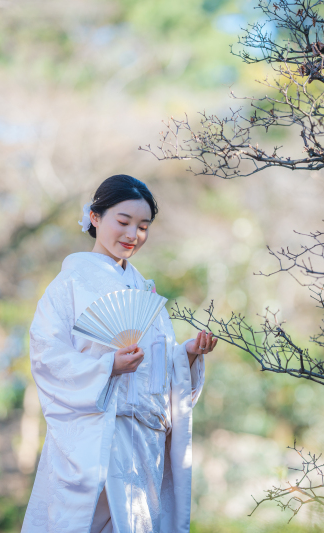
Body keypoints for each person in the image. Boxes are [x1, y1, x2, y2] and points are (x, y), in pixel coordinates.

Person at [21, 175, 218, 533]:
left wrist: (184, 355)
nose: (133, 235)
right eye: (123, 222)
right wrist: (108, 366)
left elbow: (156, 371)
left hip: (145, 441)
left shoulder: (144, 291)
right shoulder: (70, 284)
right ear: (95, 217)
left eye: (143, 227)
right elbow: (46, 356)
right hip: (97, 431)